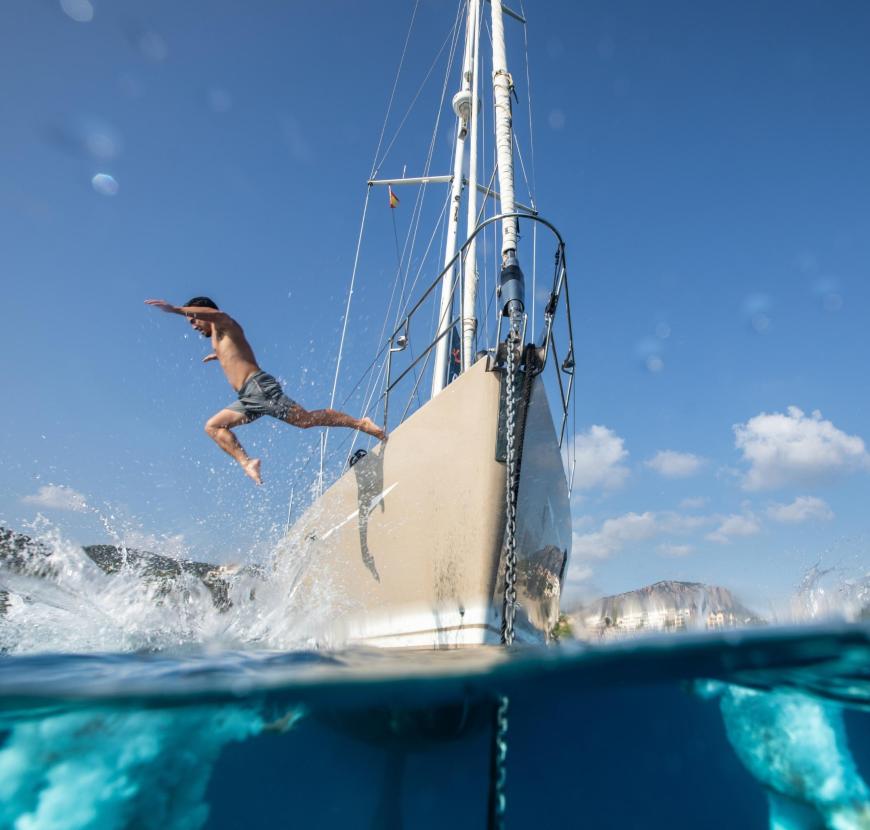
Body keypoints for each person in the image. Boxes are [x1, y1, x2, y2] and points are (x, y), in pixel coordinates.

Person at [145, 296, 386, 485]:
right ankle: (247, 463)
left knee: (305, 420)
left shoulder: (224, 323)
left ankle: (360, 423)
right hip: (248, 398)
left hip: (259, 388)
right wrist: (218, 355)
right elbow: (235, 353)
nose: (193, 326)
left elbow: (217, 315)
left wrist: (177, 310)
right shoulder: (217, 338)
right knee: (213, 426)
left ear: (201, 311)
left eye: (193, 319)